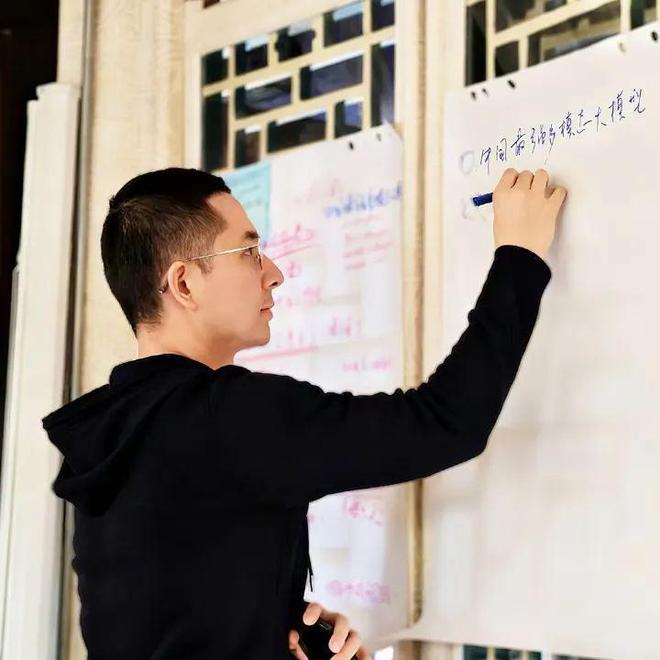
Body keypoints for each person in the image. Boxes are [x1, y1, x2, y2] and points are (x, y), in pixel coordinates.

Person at [41, 166, 566, 659]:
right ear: (183, 284)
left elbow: (169, 609)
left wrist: (268, 623)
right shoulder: (226, 416)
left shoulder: (111, 435)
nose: (274, 273)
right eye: (249, 252)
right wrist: (519, 257)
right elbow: (445, 423)